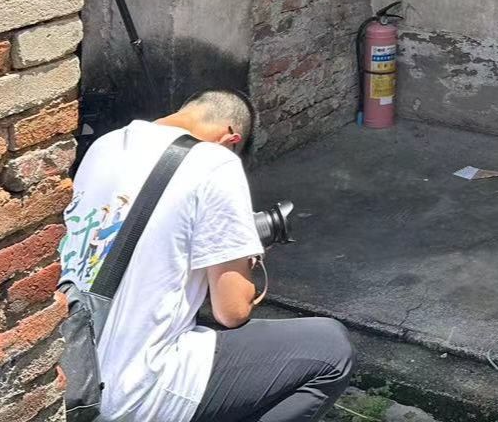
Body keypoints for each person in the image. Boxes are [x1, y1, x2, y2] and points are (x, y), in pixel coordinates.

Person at [60, 90, 354, 422]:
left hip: (77, 373)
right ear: (231, 139)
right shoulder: (216, 163)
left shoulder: (105, 145)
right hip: (137, 388)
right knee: (331, 348)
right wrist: (247, 257)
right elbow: (231, 312)